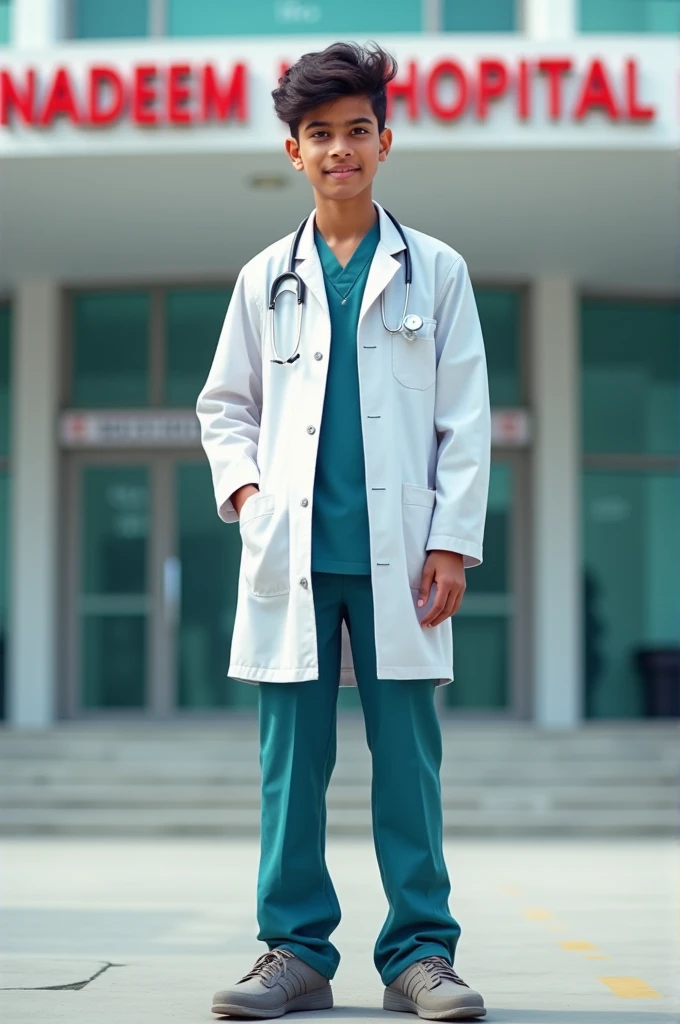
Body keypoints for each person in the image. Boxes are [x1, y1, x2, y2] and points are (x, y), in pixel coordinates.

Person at [197, 41, 490, 1022]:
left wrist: (450, 538)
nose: (338, 149)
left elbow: (464, 419)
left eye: (354, 131)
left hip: (401, 563)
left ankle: (419, 953)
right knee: (292, 770)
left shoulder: (434, 272)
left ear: (383, 140)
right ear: (293, 151)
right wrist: (247, 498)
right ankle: (293, 950)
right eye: (317, 134)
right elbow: (222, 407)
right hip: (294, 563)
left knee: (407, 764)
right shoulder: (260, 278)